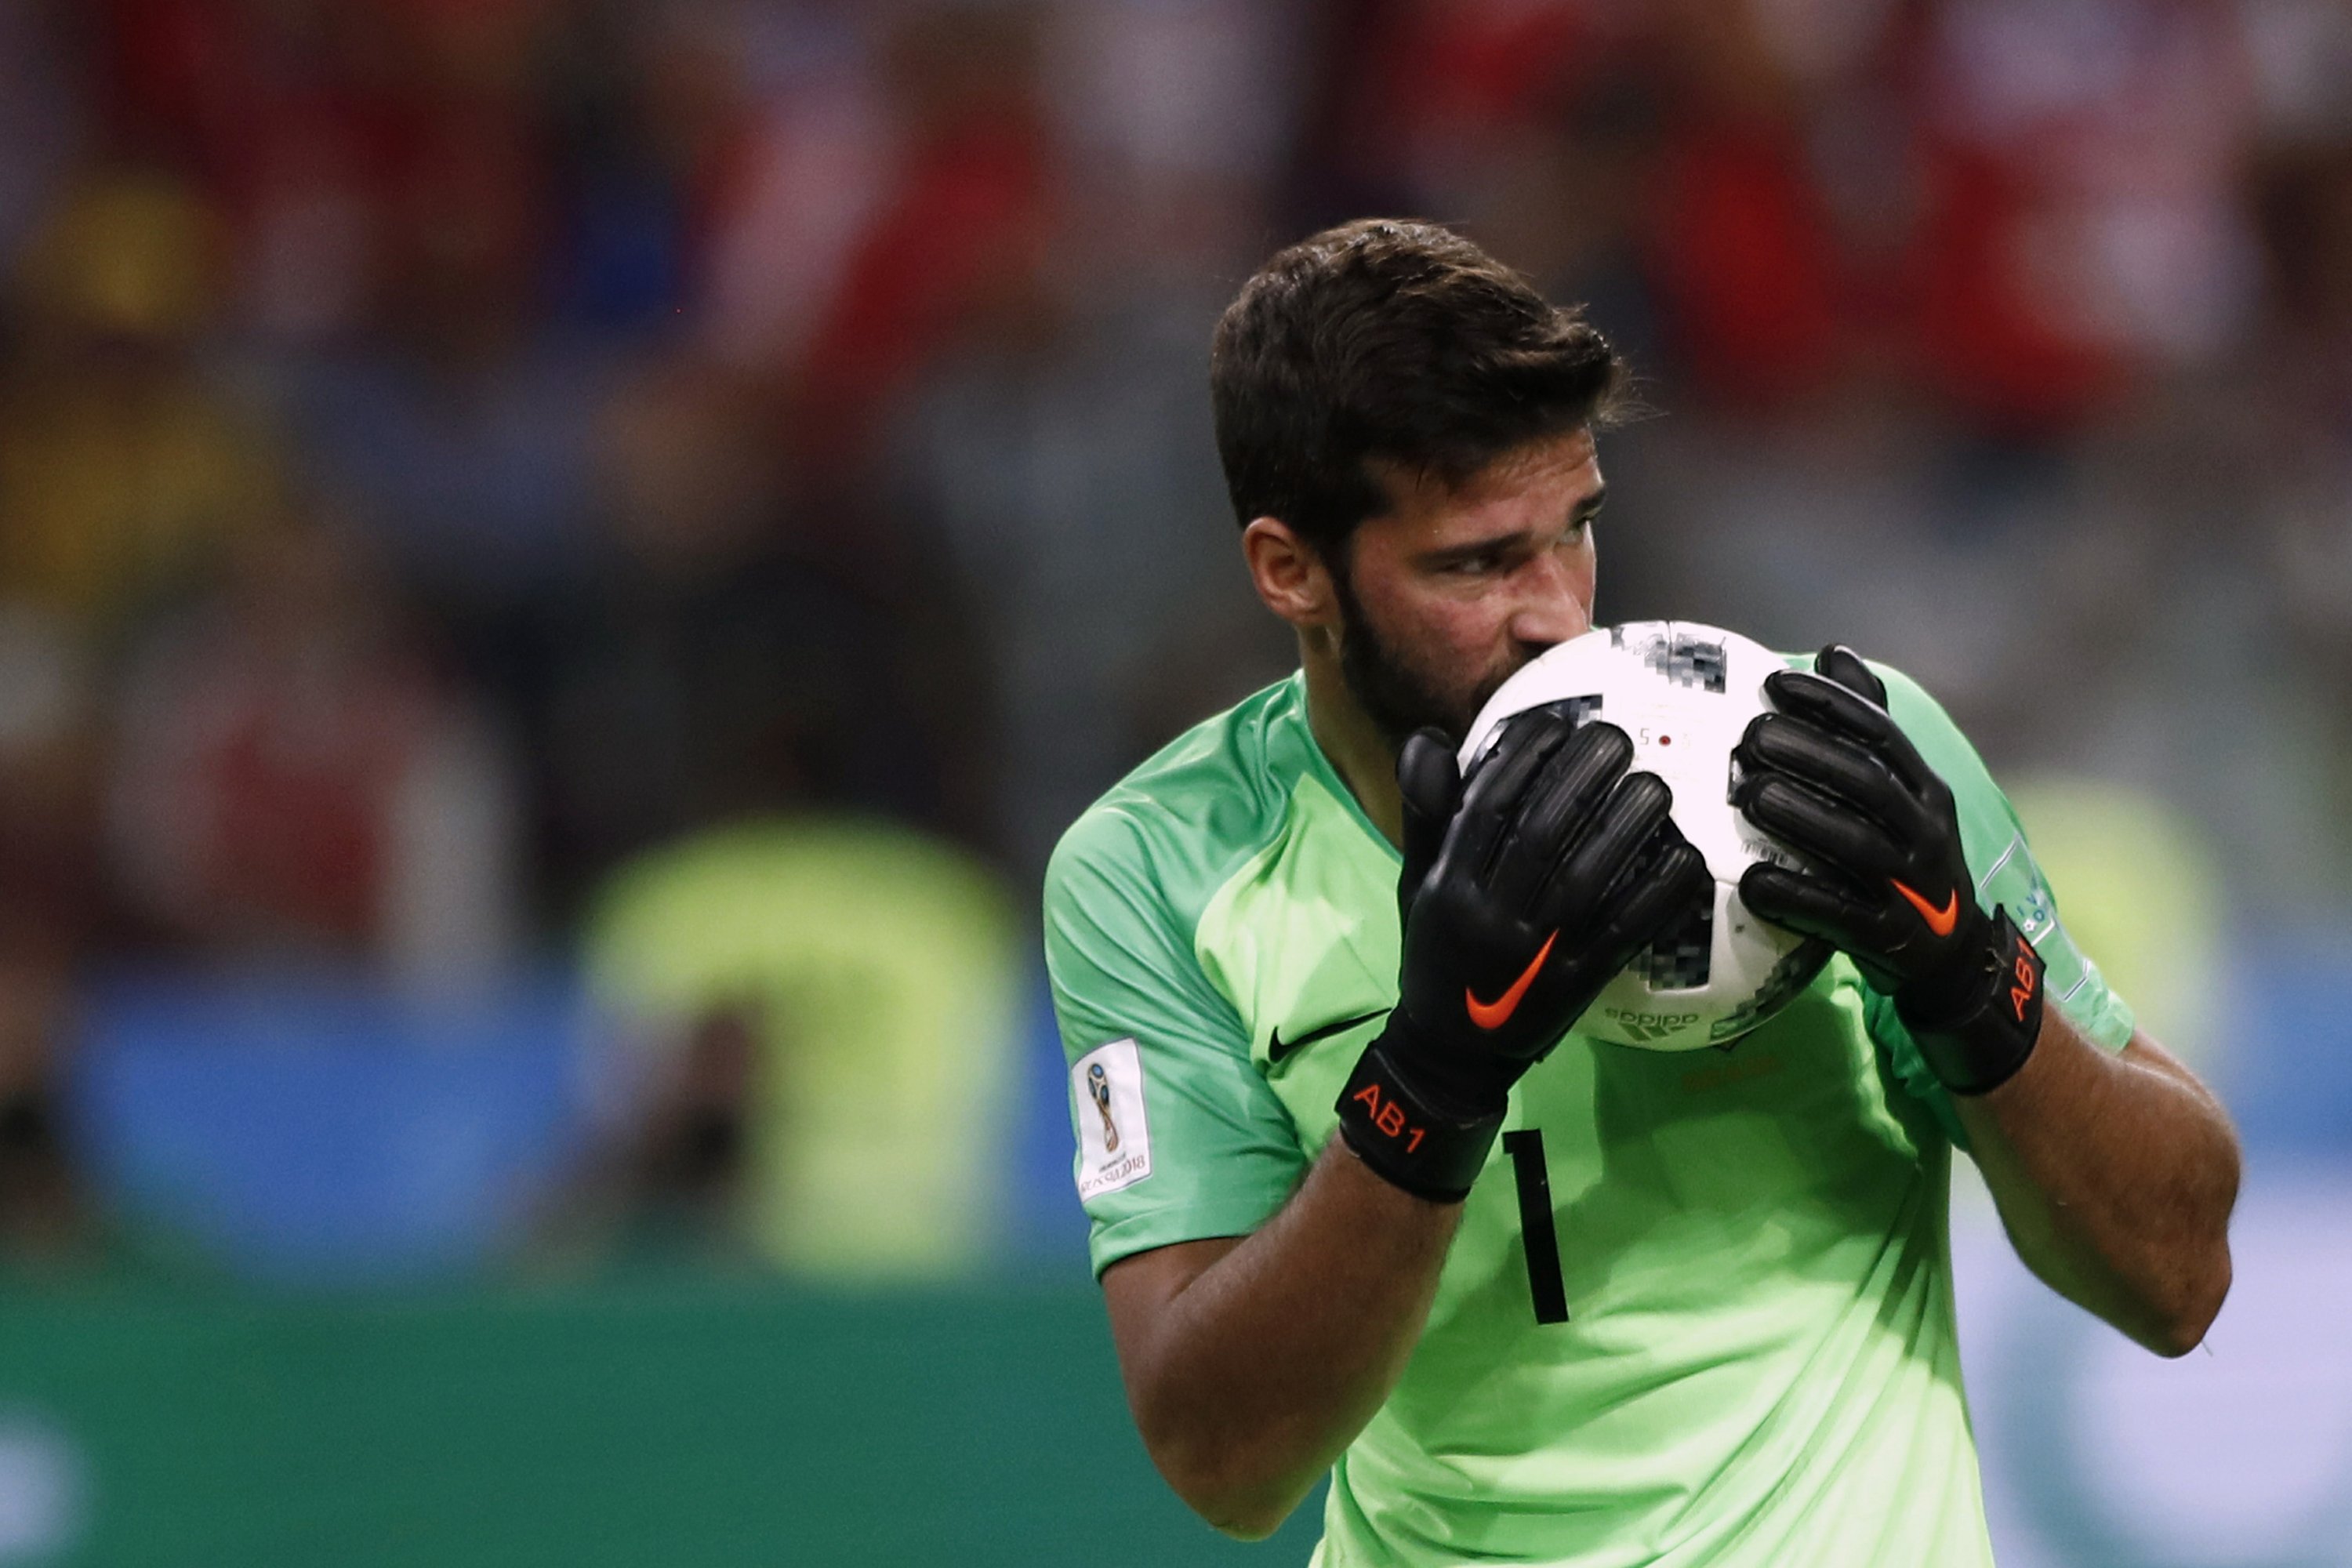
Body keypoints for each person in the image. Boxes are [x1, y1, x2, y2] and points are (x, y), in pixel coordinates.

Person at [1041, 219, 2240, 1566]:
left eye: (1579, 529)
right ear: (1291, 569)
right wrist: (1430, 1078)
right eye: (1479, 562)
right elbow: (1225, 1461)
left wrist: (1970, 974)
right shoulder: (1156, 867)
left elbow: (2180, 1275)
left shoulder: (1832, 756)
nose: (1560, 611)